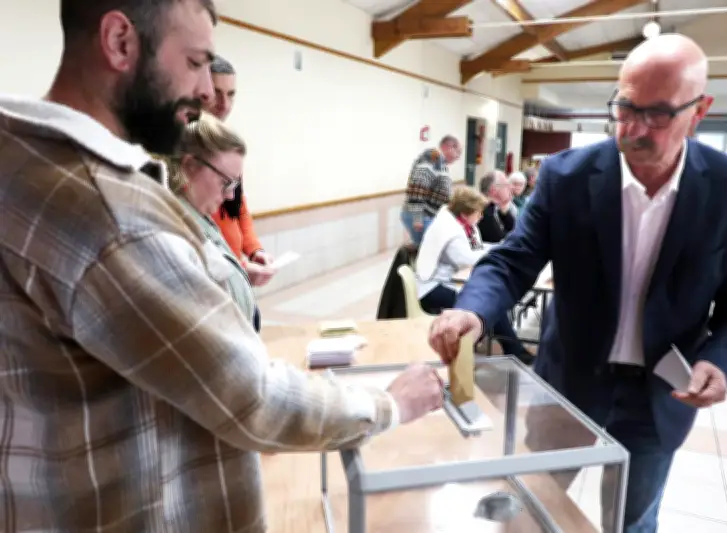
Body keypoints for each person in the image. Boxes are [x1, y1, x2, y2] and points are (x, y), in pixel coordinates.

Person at [0, 1, 444, 531]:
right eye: (194, 62)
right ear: (120, 41)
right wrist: (388, 405)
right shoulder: (112, 217)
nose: (208, 93)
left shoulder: (21, 156)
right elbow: (252, 396)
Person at [428, 34, 727, 533]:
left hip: (660, 398)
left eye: (656, 114)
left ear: (699, 111)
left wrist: (719, 359)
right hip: (567, 383)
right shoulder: (567, 176)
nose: (633, 128)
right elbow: (514, 259)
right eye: (624, 107)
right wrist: (472, 310)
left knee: (633, 523)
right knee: (528, 505)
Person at [415, 187, 533, 364]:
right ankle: (515, 350)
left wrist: (498, 247)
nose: (481, 216)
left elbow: (477, 248)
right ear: (465, 213)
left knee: (490, 298)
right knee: (491, 302)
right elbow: (467, 259)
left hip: (450, 280)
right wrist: (497, 251)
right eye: (478, 212)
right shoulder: (449, 230)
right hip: (432, 288)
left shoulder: (464, 225)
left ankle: (513, 348)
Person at [167, 112, 262, 328]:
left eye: (234, 185)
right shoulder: (177, 229)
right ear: (190, 165)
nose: (230, 195)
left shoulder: (201, 218)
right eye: (225, 182)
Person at [203, 56, 276, 277]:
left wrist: (254, 250)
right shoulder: (183, 154)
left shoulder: (228, 146)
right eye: (216, 94)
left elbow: (237, 204)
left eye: (231, 95)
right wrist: (242, 267)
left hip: (234, 269)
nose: (224, 105)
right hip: (211, 273)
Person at [400, 135, 462, 246]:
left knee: (427, 250)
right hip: (422, 216)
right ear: (449, 147)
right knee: (426, 251)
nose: (458, 157)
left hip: (428, 215)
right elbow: (418, 186)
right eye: (458, 152)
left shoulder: (440, 163)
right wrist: (417, 217)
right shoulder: (432, 158)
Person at [477, 170, 515, 243]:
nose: (510, 188)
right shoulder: (483, 211)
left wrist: (504, 211)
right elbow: (501, 240)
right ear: (493, 190)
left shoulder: (494, 206)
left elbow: (515, 230)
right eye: (506, 185)